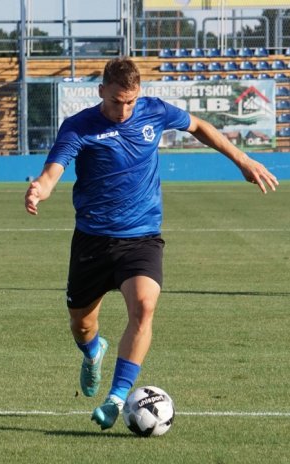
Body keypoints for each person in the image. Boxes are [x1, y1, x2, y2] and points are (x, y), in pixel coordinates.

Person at [24, 57, 278, 430]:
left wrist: (242, 160)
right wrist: (39, 190)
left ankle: (115, 398)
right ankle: (93, 351)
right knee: (81, 325)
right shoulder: (79, 127)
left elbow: (200, 126)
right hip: (92, 241)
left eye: (129, 101)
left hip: (141, 237)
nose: (123, 109)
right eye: (115, 101)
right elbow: (52, 173)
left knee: (144, 306)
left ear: (138, 94)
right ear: (101, 92)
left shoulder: (154, 111)